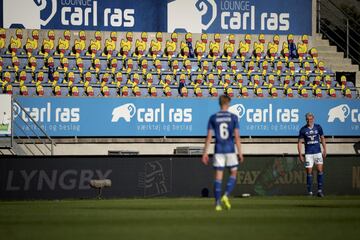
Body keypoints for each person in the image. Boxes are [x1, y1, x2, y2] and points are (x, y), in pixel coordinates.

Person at [202, 95, 244, 211]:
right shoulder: (234, 117)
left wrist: (205, 153)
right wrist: (240, 153)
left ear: (219, 103)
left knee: (218, 178)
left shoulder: (213, 117)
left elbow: (209, 137)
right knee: (233, 173)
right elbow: (237, 137)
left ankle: (217, 204)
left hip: (219, 150)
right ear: (228, 103)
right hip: (230, 149)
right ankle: (225, 195)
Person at [298, 112, 327, 197]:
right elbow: (299, 142)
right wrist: (300, 154)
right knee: (309, 172)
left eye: (310, 119)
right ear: (305, 120)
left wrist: (325, 149)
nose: (309, 120)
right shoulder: (303, 129)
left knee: (320, 170)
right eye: (307, 119)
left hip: (318, 153)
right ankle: (310, 192)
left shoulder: (318, 127)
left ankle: (319, 191)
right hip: (308, 154)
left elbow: (322, 138)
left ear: (313, 119)